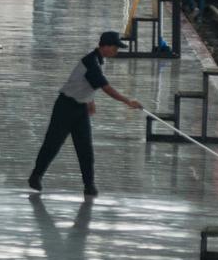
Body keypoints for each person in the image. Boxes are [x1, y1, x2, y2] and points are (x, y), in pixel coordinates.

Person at [28, 31, 142, 197]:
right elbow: (105, 87)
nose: (116, 51)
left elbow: (87, 84)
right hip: (65, 107)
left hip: (80, 110)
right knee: (52, 144)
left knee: (85, 149)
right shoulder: (91, 62)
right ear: (106, 46)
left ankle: (89, 186)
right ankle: (36, 176)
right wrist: (127, 101)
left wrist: (90, 100)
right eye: (115, 48)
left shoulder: (97, 60)